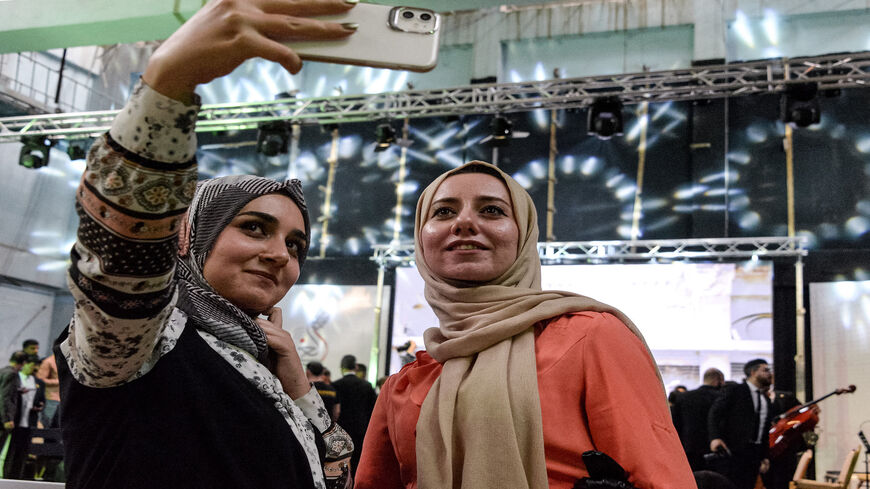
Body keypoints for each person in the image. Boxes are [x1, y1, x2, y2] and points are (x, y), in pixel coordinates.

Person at [55, 1, 359, 488]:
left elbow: (333, 480)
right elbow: (121, 257)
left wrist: (298, 386)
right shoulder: (144, 342)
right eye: (254, 228)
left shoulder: (262, 366)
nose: (281, 254)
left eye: (296, 244)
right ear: (186, 236)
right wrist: (167, 86)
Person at [355, 161, 695, 489]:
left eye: (492, 210)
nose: (464, 223)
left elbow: (661, 477)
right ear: (421, 237)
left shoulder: (592, 336)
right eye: (443, 211)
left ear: (524, 234)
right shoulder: (404, 384)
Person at [708, 359, 774, 489]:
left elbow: (764, 430)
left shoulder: (764, 398)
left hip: (754, 454)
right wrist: (715, 437)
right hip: (734, 452)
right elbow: (715, 413)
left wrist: (765, 456)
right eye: (765, 370)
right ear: (753, 372)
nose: (769, 374)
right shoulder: (736, 390)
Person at [672, 368, 725, 471]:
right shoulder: (721, 398)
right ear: (717, 380)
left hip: (688, 447)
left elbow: (675, 423)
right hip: (713, 449)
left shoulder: (684, 397)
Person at [332, 355, 376, 477]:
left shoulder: (336, 385)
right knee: (357, 461)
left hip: (341, 429)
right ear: (356, 367)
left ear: (342, 368)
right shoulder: (366, 386)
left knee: (340, 462)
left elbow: (334, 410)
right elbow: (373, 410)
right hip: (360, 429)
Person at [4, 355, 45, 479]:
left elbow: (42, 399)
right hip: (15, 419)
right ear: (25, 364)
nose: (34, 369)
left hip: (29, 420)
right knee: (10, 451)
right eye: (32, 365)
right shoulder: (16, 377)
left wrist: (39, 406)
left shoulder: (39, 383)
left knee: (23, 451)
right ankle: (6, 477)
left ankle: (18, 477)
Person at [0, 351, 28, 476]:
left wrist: (18, 391)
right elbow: (5, 397)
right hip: (2, 419)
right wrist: (8, 419)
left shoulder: (3, 371)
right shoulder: (13, 374)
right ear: (23, 363)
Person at [36, 354, 60, 428]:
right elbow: (40, 380)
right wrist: (59, 381)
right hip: (51, 398)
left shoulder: (66, 359)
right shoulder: (48, 361)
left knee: (57, 425)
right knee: (48, 423)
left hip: (63, 398)